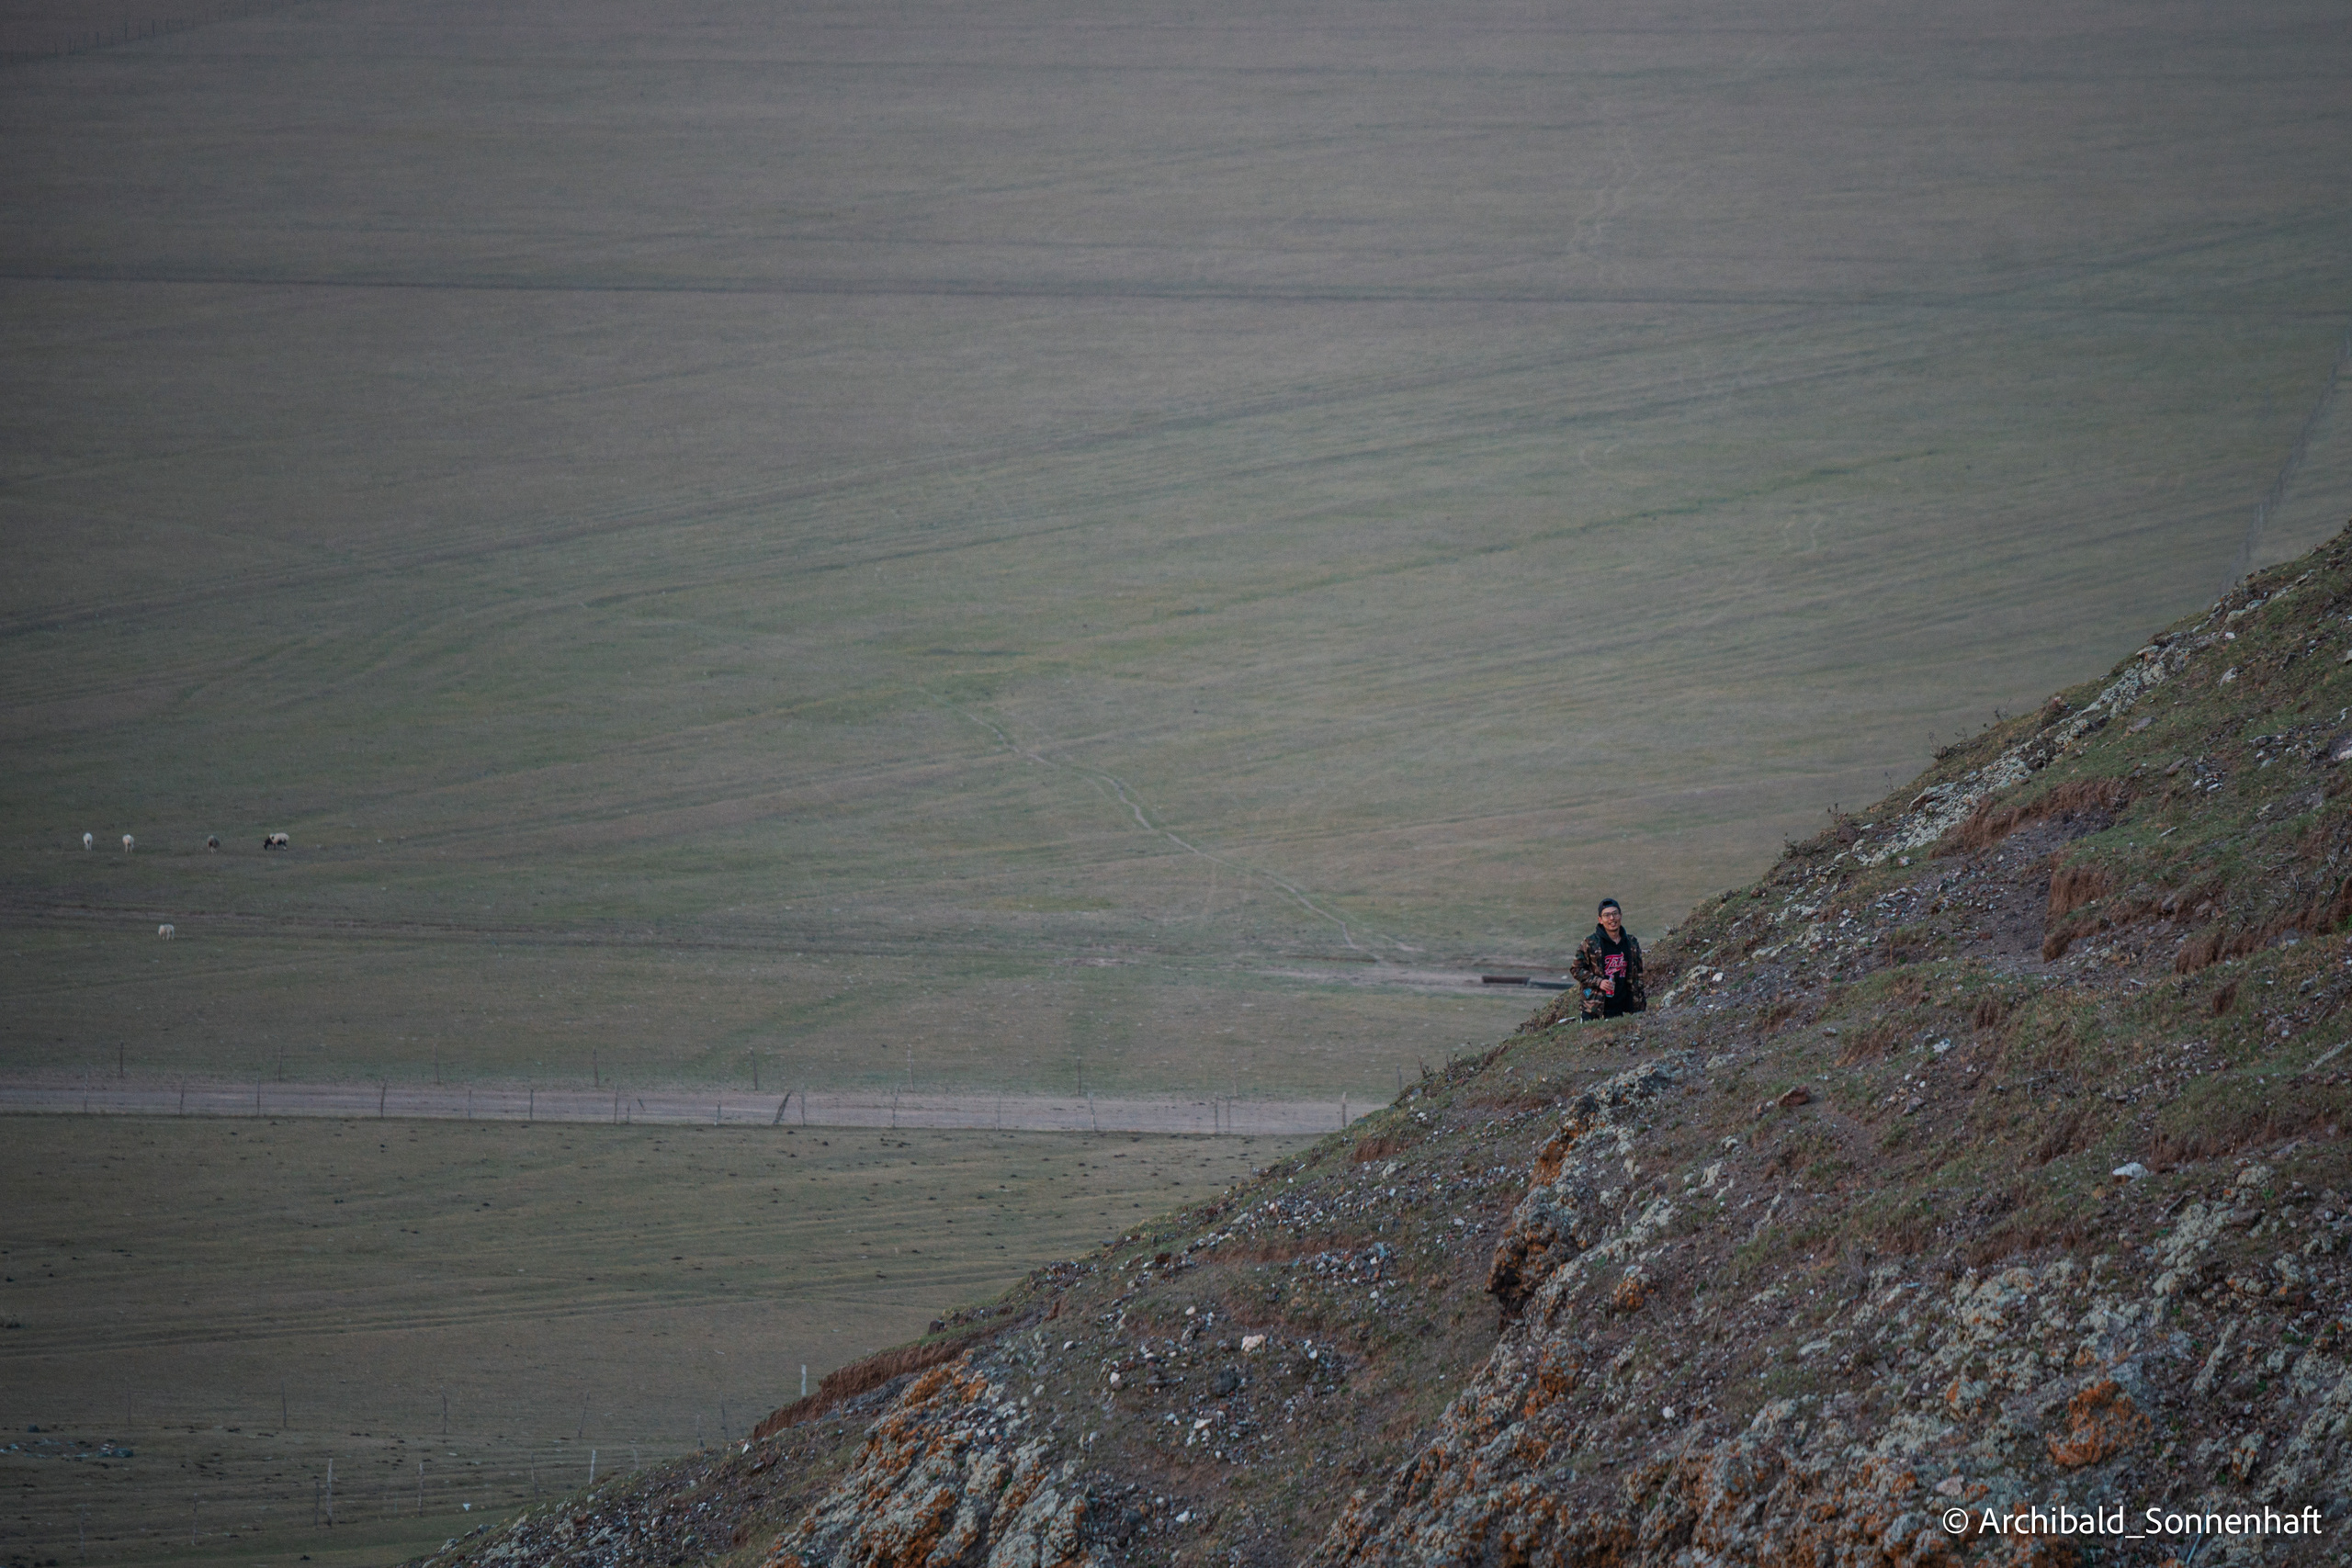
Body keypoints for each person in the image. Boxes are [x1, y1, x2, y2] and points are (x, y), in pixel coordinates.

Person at [1571, 897, 1645, 1020]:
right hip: (1594, 1010)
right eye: (1607, 915)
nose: (1612, 918)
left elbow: (1638, 975)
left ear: (1620, 916)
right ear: (1600, 920)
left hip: (1624, 1010)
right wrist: (1599, 982)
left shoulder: (1632, 943)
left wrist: (1640, 1005)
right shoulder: (1590, 943)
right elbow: (1576, 970)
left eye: (1615, 914)